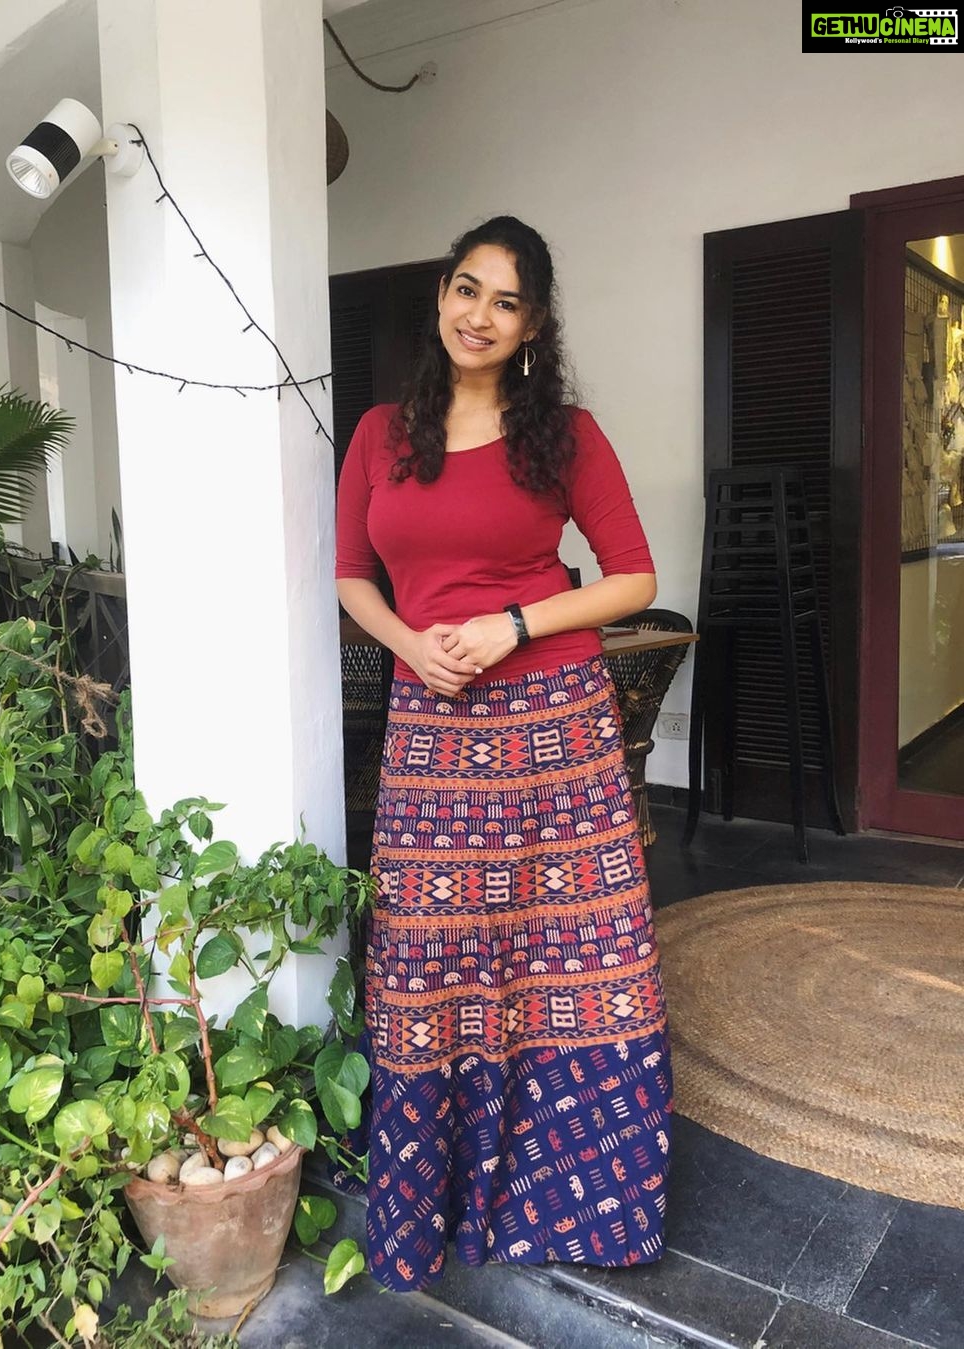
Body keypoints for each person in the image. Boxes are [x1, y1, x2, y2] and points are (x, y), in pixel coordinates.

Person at [334, 215, 671, 1292]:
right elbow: (351, 576)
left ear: (533, 325)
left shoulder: (563, 435)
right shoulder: (380, 433)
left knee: (565, 954)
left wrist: (514, 623)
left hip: (553, 725)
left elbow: (634, 577)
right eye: (467, 288)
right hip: (430, 726)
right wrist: (409, 647)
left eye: (507, 301)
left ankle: (572, 1205)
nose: (479, 314)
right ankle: (431, 1206)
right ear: (442, 294)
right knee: (429, 952)